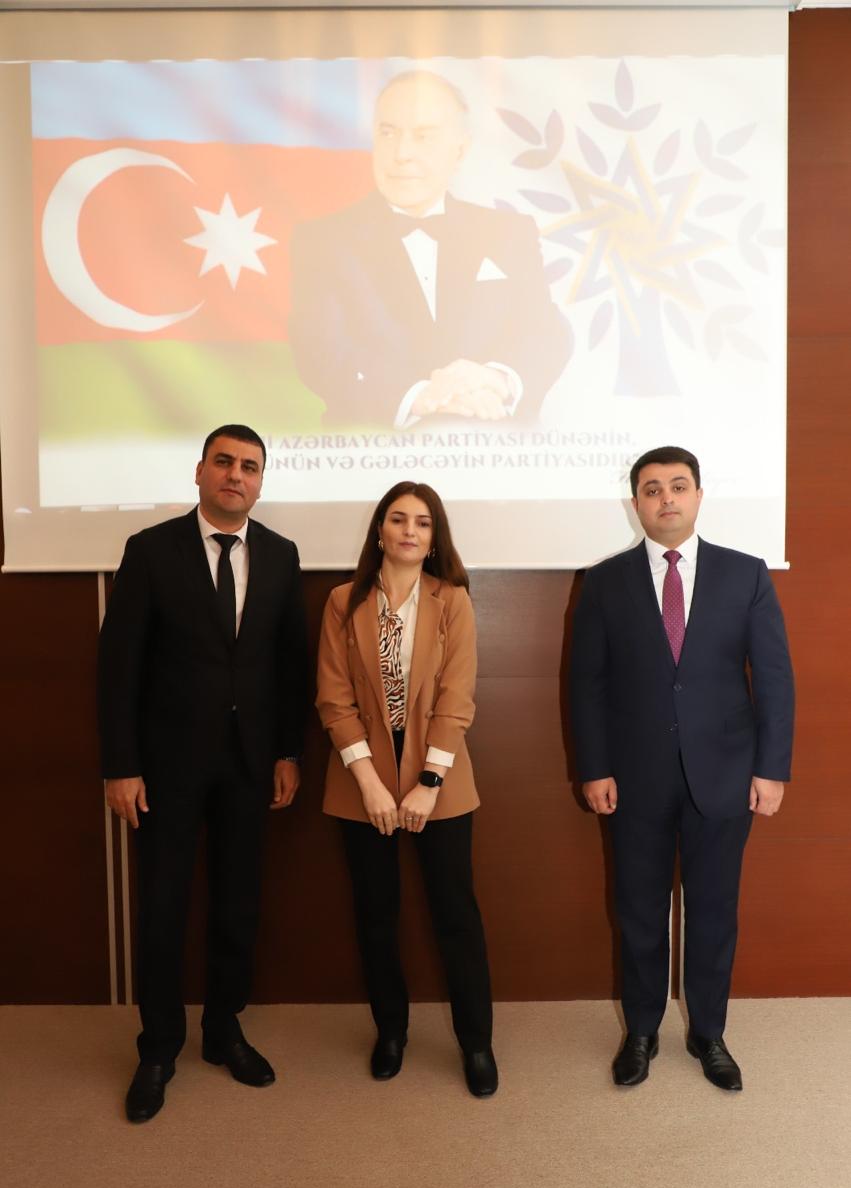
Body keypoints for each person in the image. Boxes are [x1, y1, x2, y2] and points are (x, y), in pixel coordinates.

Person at [98, 424, 308, 1122]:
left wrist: (288, 752)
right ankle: (159, 1047)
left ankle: (223, 1030)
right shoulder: (150, 550)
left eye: (249, 466)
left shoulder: (281, 554)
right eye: (223, 462)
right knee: (162, 905)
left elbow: (289, 664)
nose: (235, 475)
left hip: (250, 764)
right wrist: (121, 765)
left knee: (238, 903)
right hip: (165, 768)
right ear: (199, 472)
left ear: (261, 482)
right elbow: (118, 667)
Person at [570, 446, 794, 1091]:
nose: (665, 498)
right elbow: (587, 685)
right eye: (651, 489)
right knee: (639, 911)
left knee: (714, 910)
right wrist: (594, 768)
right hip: (633, 778)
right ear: (635, 502)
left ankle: (709, 1033)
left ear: (698, 495)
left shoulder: (745, 574)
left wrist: (771, 769)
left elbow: (773, 679)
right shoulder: (604, 581)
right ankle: (641, 1031)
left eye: (677, 486)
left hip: (724, 775)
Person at [315, 481, 497, 1096]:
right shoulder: (343, 601)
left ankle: (476, 1043)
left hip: (437, 780)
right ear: (380, 531)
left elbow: (456, 698)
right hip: (361, 779)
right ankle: (390, 1033)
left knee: (456, 915)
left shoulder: (453, 600)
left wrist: (428, 783)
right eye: (398, 519)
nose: (410, 531)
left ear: (434, 537)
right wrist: (368, 783)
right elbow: (334, 698)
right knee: (376, 915)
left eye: (422, 522)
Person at [289, 69, 570, 427]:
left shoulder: (510, 233)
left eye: (423, 136)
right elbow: (320, 349)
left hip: (498, 446)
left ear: (460, 150)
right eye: (388, 133)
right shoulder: (322, 241)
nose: (402, 153)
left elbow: (546, 330)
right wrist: (418, 396)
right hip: (371, 449)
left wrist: (494, 379)